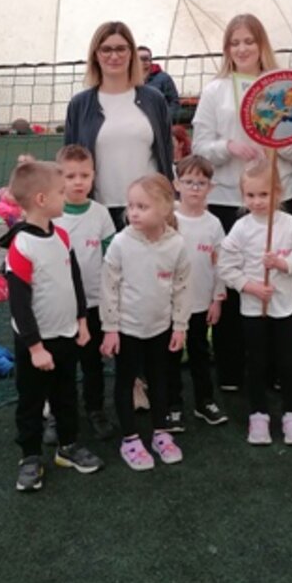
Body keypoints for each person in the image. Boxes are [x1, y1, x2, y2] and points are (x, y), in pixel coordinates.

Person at [192, 13, 292, 391]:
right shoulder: (215, 91)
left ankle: (281, 371)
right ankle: (232, 371)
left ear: (262, 45)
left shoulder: (283, 87)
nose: (242, 49)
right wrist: (228, 147)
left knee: (280, 283)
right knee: (234, 284)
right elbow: (200, 148)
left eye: (249, 41)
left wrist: (278, 142)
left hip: (281, 197)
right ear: (227, 49)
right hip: (229, 199)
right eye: (234, 42)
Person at [3, 160, 102, 492]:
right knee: (31, 401)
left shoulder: (61, 235)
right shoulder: (21, 245)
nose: (67, 195)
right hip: (36, 344)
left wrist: (81, 320)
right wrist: (34, 347)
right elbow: (19, 305)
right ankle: (30, 457)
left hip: (66, 334)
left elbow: (74, 280)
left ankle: (68, 446)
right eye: (61, 192)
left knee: (66, 395)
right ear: (42, 199)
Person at [100, 174, 190, 471]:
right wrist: (110, 328)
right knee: (125, 381)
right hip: (126, 330)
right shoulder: (121, 243)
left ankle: (161, 433)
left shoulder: (176, 244)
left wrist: (180, 325)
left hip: (160, 329)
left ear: (165, 209)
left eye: (142, 206)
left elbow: (181, 286)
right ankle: (130, 438)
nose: (134, 213)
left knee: (159, 380)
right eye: (131, 206)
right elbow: (109, 287)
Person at [219, 162, 292, 444]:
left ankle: (291, 415)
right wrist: (251, 287)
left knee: (286, 362)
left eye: (263, 194)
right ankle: (258, 415)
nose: (257, 201)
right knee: (256, 362)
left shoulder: (290, 224)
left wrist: (281, 263)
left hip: (285, 308)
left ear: (278, 193)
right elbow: (225, 267)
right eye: (250, 195)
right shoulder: (241, 227)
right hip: (252, 308)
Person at [64, 23, 173, 229]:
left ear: (131, 53)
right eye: (106, 49)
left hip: (148, 209)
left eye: (121, 48)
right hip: (99, 210)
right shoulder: (80, 105)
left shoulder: (154, 100)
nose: (114, 56)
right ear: (96, 55)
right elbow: (69, 160)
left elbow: (166, 152)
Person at [53, 145, 117, 441]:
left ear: (93, 176)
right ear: (59, 178)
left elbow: (111, 259)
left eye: (84, 175)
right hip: (62, 306)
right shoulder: (53, 215)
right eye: (70, 176)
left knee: (92, 362)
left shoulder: (100, 214)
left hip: (93, 303)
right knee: (61, 363)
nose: (78, 182)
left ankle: (95, 409)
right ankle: (57, 412)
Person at [170, 156, 229, 429]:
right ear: (176, 185)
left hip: (200, 303)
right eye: (188, 182)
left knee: (200, 353)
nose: (194, 188)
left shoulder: (213, 224)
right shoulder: (168, 219)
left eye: (201, 183)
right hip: (170, 305)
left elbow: (220, 265)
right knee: (170, 356)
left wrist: (217, 299)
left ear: (210, 187)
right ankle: (173, 405)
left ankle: (204, 402)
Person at [137, 45, 181, 122]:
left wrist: (165, 120)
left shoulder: (164, 78)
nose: (143, 62)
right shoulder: (129, 79)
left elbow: (174, 102)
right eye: (139, 59)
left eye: (146, 59)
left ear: (150, 60)